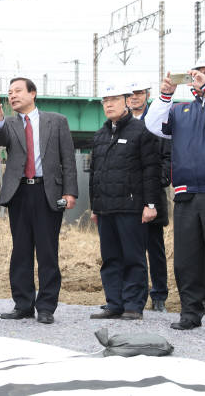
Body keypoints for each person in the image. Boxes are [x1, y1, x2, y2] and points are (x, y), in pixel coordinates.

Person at [145, 56, 205, 334]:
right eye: (197, 73)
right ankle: (190, 311)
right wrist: (165, 94)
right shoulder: (180, 110)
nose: (200, 77)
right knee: (187, 258)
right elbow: (153, 125)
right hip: (187, 193)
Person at [0, 77, 78, 325]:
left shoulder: (57, 121)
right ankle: (23, 304)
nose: (13, 96)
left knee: (48, 251)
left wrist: (70, 192)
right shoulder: (8, 124)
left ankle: (47, 306)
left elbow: (68, 159)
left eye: (18, 91)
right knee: (21, 251)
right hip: (19, 193)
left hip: (47, 192)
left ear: (33, 93)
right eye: (10, 93)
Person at [89, 84, 160, 321]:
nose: (108, 104)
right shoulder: (100, 135)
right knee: (110, 258)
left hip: (131, 207)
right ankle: (114, 303)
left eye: (114, 99)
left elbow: (151, 170)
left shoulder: (142, 131)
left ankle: (133, 304)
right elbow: (95, 173)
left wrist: (150, 204)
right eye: (105, 100)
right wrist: (94, 207)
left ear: (126, 101)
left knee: (133, 257)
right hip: (105, 208)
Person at [127, 82, 171, 312]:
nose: (134, 97)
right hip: (127, 198)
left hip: (152, 195)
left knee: (155, 247)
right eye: (131, 94)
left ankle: (159, 294)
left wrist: (154, 183)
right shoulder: (119, 123)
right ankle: (134, 294)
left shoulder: (157, 121)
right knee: (129, 248)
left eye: (139, 93)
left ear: (147, 95)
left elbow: (167, 159)